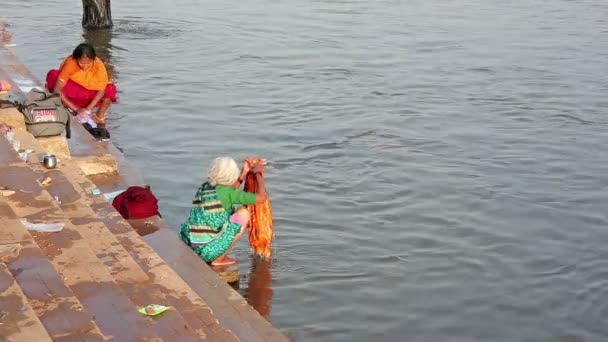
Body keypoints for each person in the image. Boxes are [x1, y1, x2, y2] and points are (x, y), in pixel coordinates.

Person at [181, 157, 268, 266]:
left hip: (191, 243)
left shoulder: (206, 186)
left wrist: (244, 172)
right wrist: (258, 173)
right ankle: (218, 258)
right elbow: (261, 198)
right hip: (207, 251)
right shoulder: (228, 193)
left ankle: (214, 251)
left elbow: (231, 189)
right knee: (243, 213)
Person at [46, 43, 117, 125]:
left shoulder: (99, 65)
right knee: (53, 74)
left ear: (93, 59)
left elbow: (102, 90)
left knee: (110, 88)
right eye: (82, 63)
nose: (85, 66)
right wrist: (76, 109)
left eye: (89, 63)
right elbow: (57, 89)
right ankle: (67, 105)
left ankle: (99, 116)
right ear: (76, 59)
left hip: (89, 94)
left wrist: (87, 109)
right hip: (75, 90)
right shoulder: (71, 62)